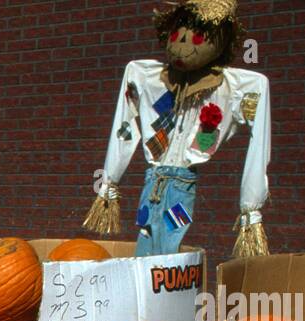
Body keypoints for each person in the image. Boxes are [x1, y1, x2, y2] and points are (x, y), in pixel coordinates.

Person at [82, 0, 271, 257]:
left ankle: (164, 289)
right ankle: (147, 289)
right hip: (152, 180)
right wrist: (110, 180)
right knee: (145, 232)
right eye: (178, 35)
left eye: (196, 38)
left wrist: (251, 207)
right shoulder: (148, 76)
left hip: (183, 184)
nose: (183, 45)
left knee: (171, 241)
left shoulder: (234, 87)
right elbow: (124, 121)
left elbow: (259, 138)